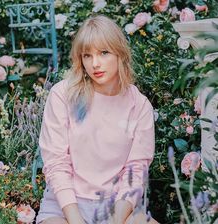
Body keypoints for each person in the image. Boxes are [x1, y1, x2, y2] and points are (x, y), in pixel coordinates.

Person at [36, 15, 157, 224]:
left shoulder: (139, 105)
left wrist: (116, 220)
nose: (95, 64)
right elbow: (56, 163)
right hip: (65, 207)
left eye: (103, 53)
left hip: (118, 207)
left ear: (119, 53)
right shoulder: (63, 95)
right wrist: (76, 220)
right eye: (87, 55)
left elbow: (136, 171)